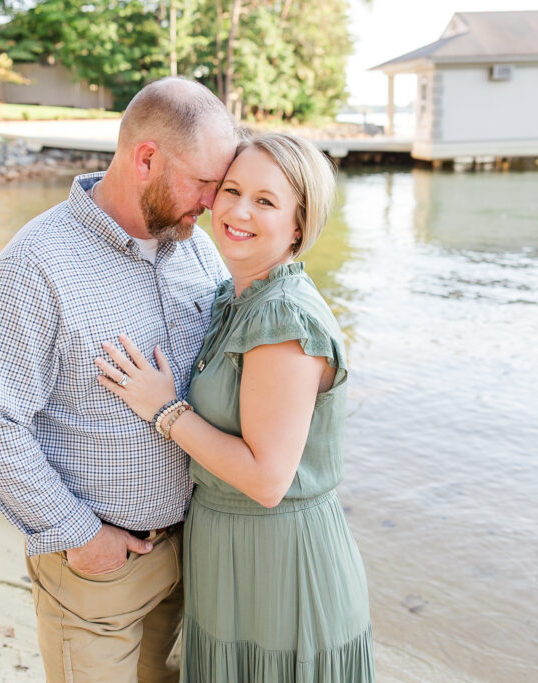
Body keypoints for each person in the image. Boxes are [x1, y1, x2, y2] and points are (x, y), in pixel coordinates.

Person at [0, 78, 239, 682]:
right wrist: (79, 534)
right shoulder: (34, 267)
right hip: (98, 570)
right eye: (206, 183)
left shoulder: (197, 249)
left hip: (191, 555)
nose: (216, 203)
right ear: (146, 159)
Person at [96, 132, 375, 681]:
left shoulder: (282, 323)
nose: (238, 210)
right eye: (231, 189)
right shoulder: (236, 296)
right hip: (228, 555)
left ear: (299, 224)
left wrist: (165, 410)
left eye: (266, 201)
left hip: (280, 568)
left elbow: (268, 479)